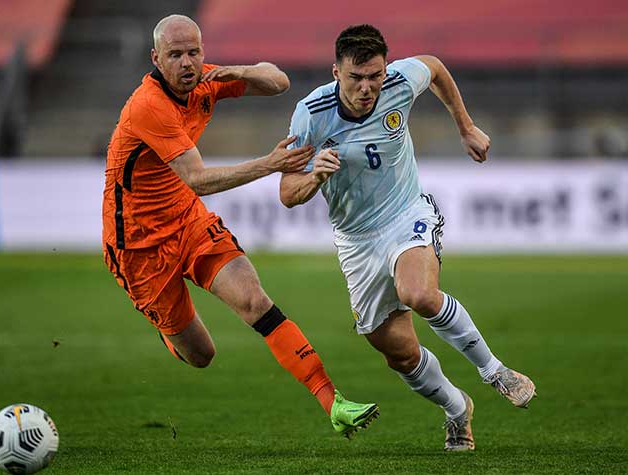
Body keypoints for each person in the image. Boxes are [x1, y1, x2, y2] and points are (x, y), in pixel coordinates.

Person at [101, 14, 379, 438]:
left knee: (253, 300)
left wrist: (242, 71)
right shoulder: (149, 106)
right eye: (175, 55)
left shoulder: (207, 80)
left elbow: (279, 82)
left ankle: (332, 401)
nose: (187, 63)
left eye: (194, 52)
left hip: (187, 219)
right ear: (157, 58)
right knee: (201, 354)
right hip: (137, 245)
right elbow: (197, 179)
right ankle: (168, 329)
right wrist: (270, 164)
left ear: (203, 52)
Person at [279, 24, 536, 451]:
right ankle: (457, 410)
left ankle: (495, 371)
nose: (367, 88)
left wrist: (466, 127)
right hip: (356, 240)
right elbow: (288, 193)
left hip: (406, 213)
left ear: (385, 69)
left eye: (374, 76)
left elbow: (434, 67)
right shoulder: (310, 114)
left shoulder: (399, 81)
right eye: (355, 78)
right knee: (397, 351)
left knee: (417, 292)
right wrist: (314, 175)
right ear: (336, 72)